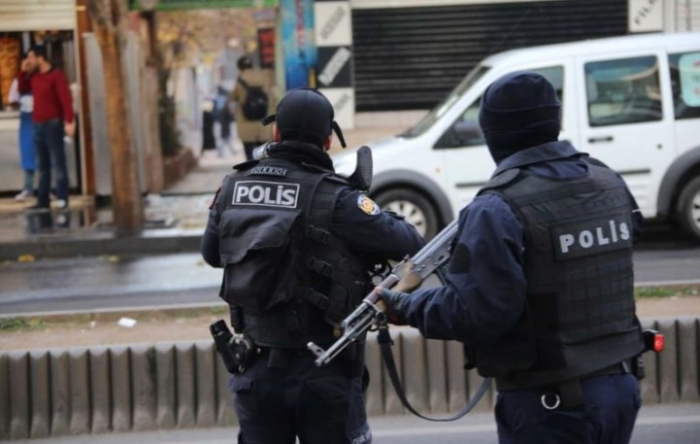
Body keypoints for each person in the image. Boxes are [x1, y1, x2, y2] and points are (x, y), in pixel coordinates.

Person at [377, 72, 646, 444]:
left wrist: (405, 306)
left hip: (552, 404)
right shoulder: (608, 180)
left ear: (494, 134)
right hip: (622, 389)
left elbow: (476, 312)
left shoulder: (496, 207)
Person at [201, 88, 424, 444]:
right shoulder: (337, 198)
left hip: (255, 368)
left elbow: (212, 254)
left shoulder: (232, 187)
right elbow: (410, 243)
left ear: (276, 133)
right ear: (328, 140)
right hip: (324, 371)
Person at [17, 45, 75, 211]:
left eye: (31, 57)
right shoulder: (33, 76)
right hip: (37, 123)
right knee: (41, 164)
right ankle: (43, 199)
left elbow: (65, 99)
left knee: (58, 161)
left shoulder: (56, 75)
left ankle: (62, 197)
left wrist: (69, 120)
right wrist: (23, 71)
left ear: (40, 58)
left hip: (53, 123)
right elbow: (22, 88)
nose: (28, 61)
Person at [229, 55, 273, 160]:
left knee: (250, 154)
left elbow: (233, 97)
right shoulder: (263, 76)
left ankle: (251, 168)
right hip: (263, 122)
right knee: (263, 154)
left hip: (246, 123)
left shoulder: (240, 79)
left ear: (239, 67)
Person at [7, 62, 35, 201]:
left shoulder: (42, 78)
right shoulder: (19, 80)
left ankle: (46, 188)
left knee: (45, 154)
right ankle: (28, 188)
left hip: (42, 119)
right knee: (28, 154)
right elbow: (12, 100)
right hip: (27, 121)